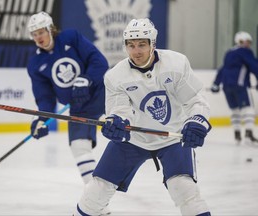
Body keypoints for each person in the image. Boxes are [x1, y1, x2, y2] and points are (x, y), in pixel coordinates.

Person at [74, 18, 212, 215]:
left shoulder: (176, 64)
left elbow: (196, 101)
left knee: (184, 188)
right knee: (97, 190)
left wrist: (197, 121)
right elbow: (119, 110)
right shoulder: (115, 76)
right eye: (131, 45)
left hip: (172, 137)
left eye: (141, 45)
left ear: (152, 44)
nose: (136, 51)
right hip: (134, 139)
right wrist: (117, 123)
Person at [27, 11, 109, 195]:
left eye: (41, 31)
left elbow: (99, 61)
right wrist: (41, 119)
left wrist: (86, 79)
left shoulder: (70, 37)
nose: (38, 37)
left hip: (103, 93)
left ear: (50, 29)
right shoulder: (35, 63)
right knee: (79, 146)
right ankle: (96, 197)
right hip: (80, 106)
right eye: (34, 34)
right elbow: (45, 98)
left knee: (133, 133)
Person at [210, 31, 258, 146]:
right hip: (240, 85)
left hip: (227, 87)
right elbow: (254, 65)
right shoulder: (245, 51)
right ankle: (248, 134)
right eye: (246, 41)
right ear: (240, 41)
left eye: (249, 42)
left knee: (235, 110)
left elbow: (223, 69)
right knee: (248, 109)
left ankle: (237, 135)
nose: (248, 44)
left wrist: (216, 83)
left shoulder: (229, 53)